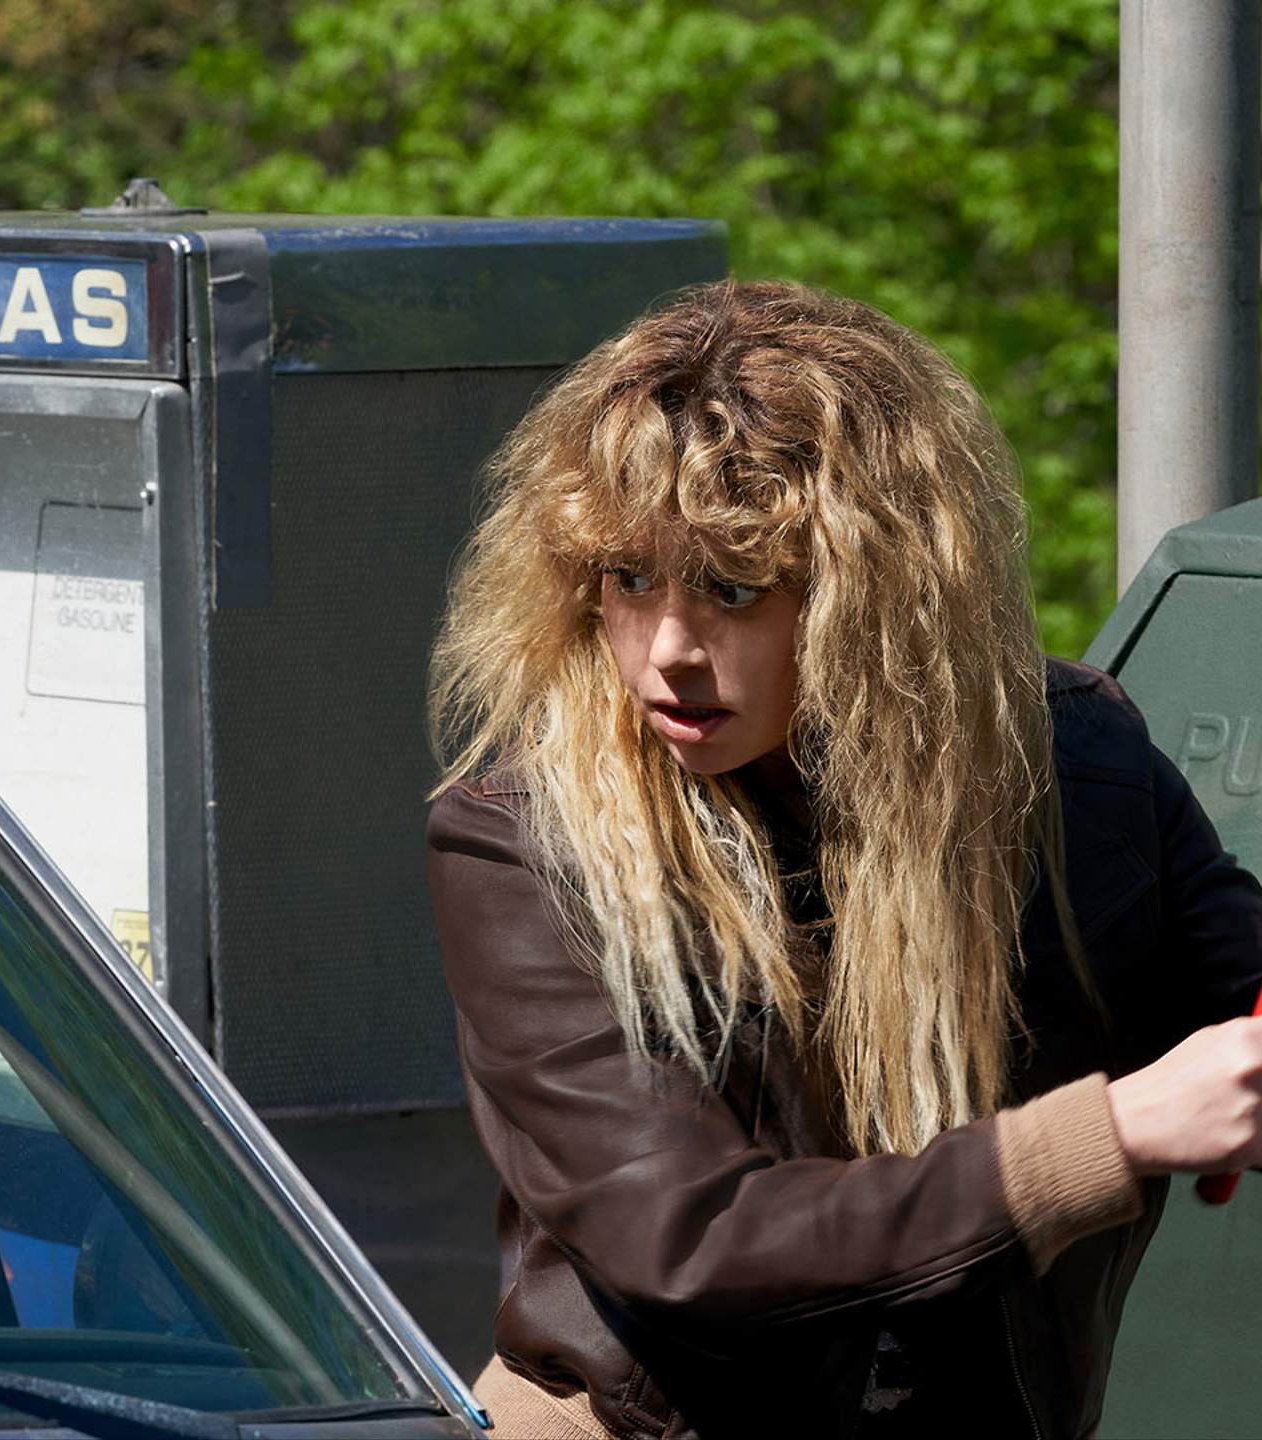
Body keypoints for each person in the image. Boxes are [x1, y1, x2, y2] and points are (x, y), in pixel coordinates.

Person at [424, 279, 1262, 1439]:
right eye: (628, 577)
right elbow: (695, 1239)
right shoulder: (523, 838)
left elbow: (1241, 997)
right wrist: (1103, 1139)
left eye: (733, 588)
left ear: (876, 597)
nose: (668, 650)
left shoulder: (1079, 761)